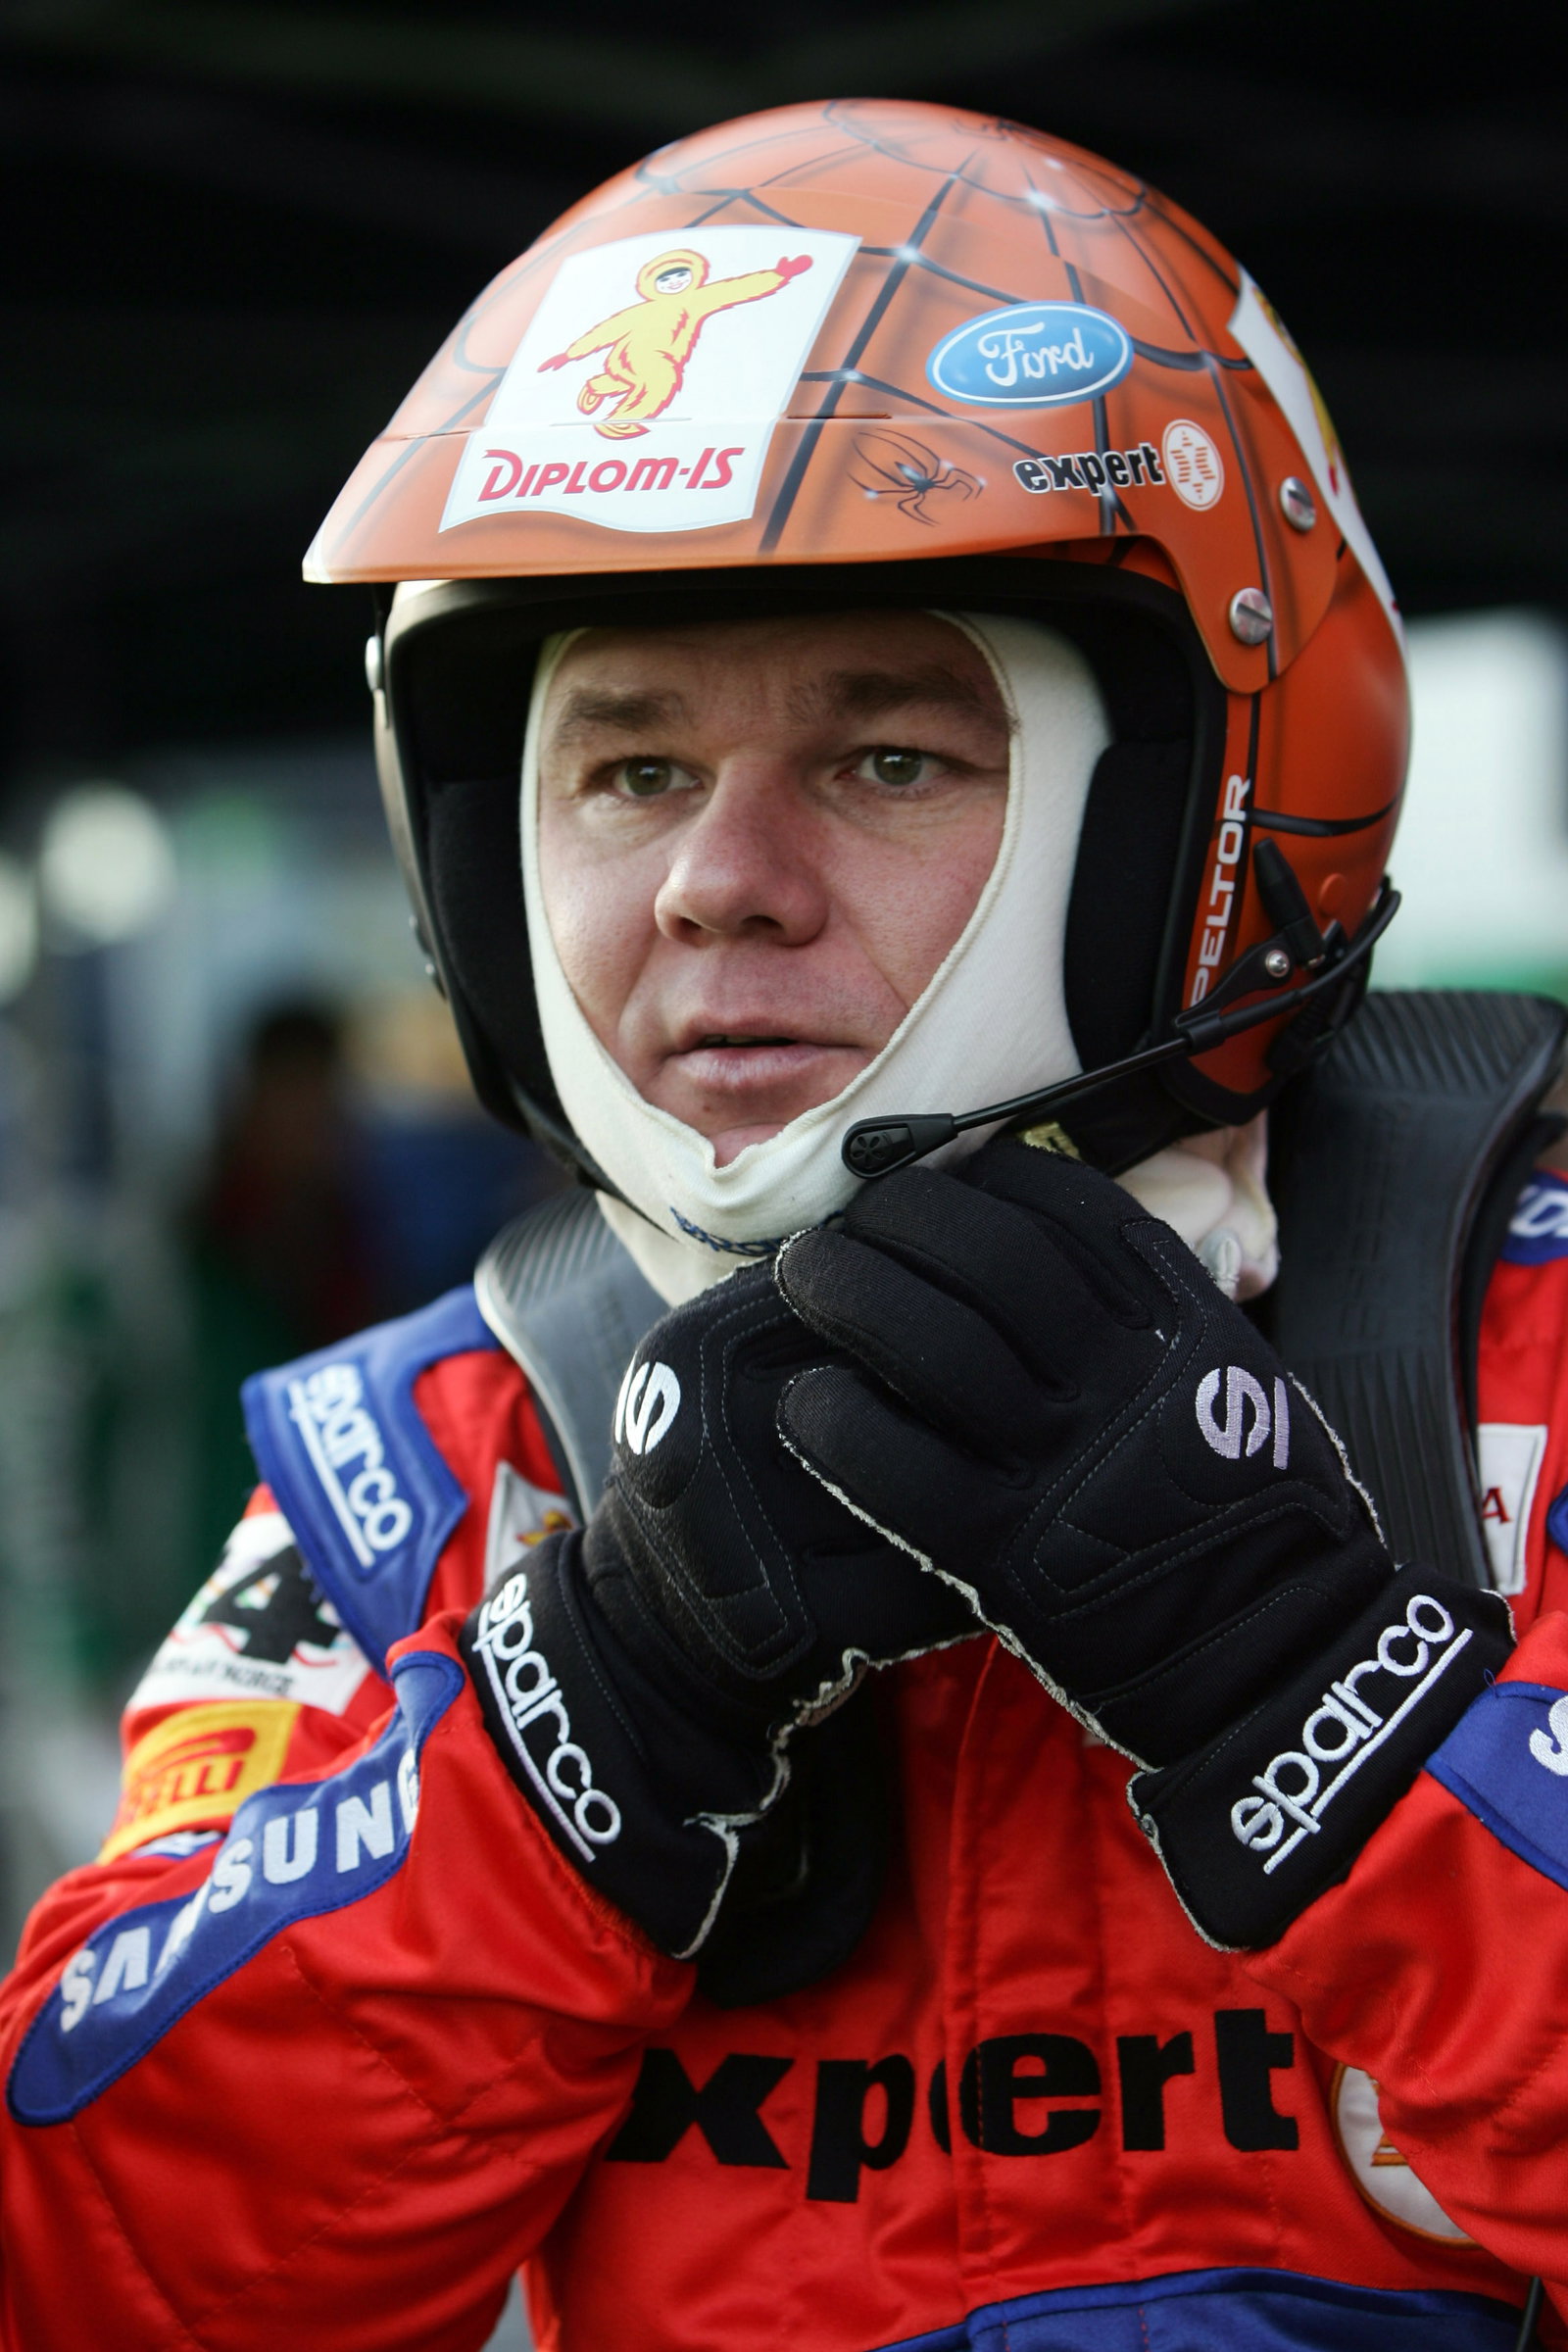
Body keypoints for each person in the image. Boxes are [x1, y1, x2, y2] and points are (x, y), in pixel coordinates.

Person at [3, 96, 1567, 2352]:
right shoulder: (436, 1464)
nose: (714, 879)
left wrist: (1315, 1694)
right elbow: (89, 2269)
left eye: (886, 757)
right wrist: (585, 1706)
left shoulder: (1518, 1362)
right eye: (628, 767)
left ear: (1197, 823)